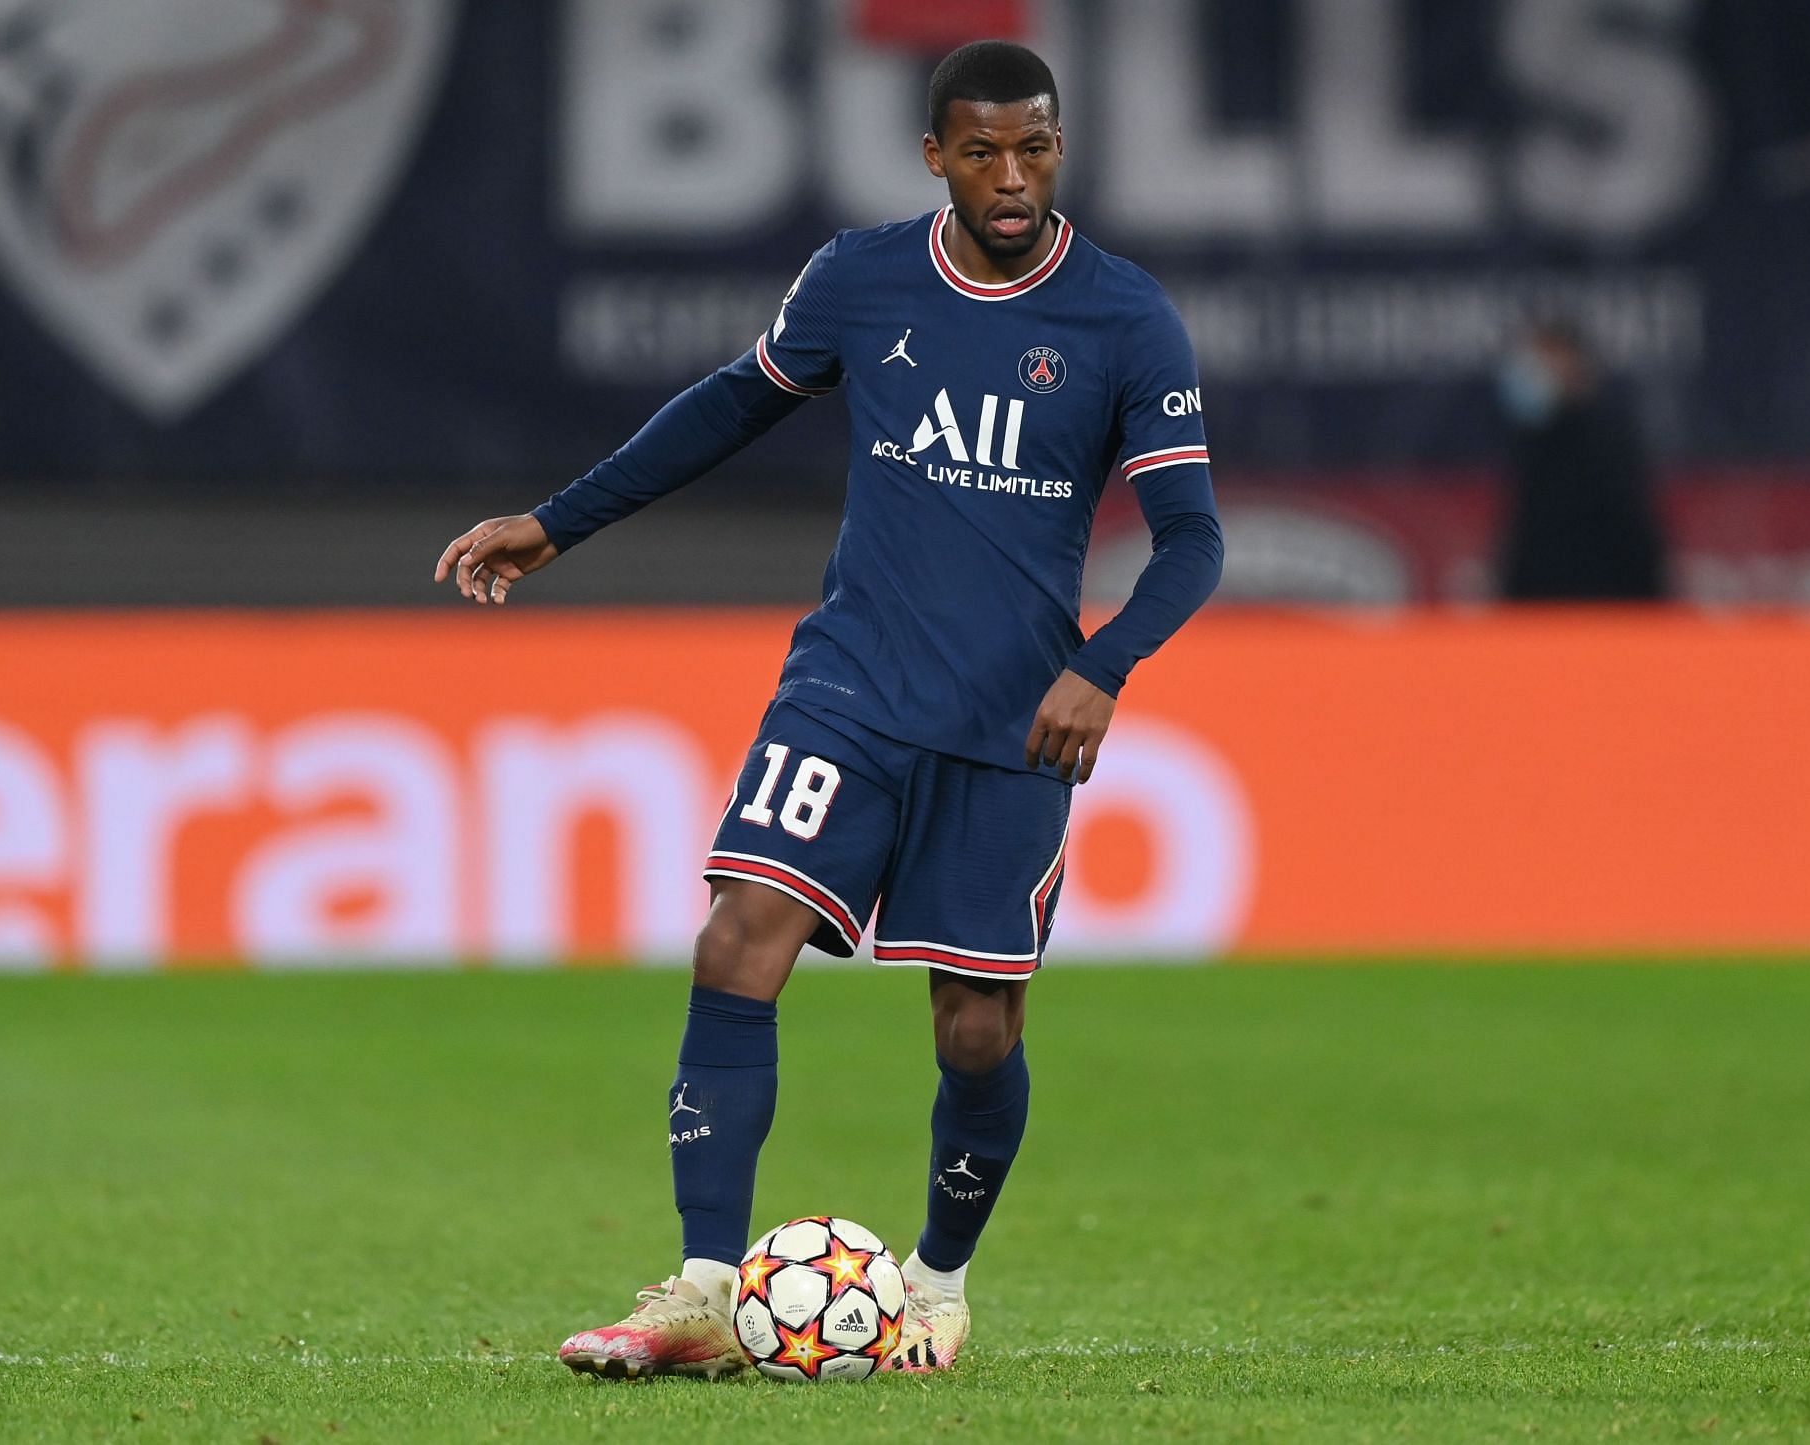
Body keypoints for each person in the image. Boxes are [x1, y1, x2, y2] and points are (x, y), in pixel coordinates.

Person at [434, 40, 1223, 1379]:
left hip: (1011, 721)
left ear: (1059, 146)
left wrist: (1105, 664)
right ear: (936, 159)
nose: (1013, 174)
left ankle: (938, 1286)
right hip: (848, 687)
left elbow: (1192, 539)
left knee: (978, 1026)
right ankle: (695, 1290)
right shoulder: (862, 277)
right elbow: (730, 407)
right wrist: (558, 524)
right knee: (739, 937)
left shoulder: (1124, 317)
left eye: (1035, 145)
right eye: (983, 149)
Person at [1495, 320, 1669, 602]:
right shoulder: (1533, 441)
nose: (1531, 371)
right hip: (1540, 617)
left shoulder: (1607, 439)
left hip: (1603, 613)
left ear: (1573, 363)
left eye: (1544, 360)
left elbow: (1634, 538)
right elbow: (1526, 542)